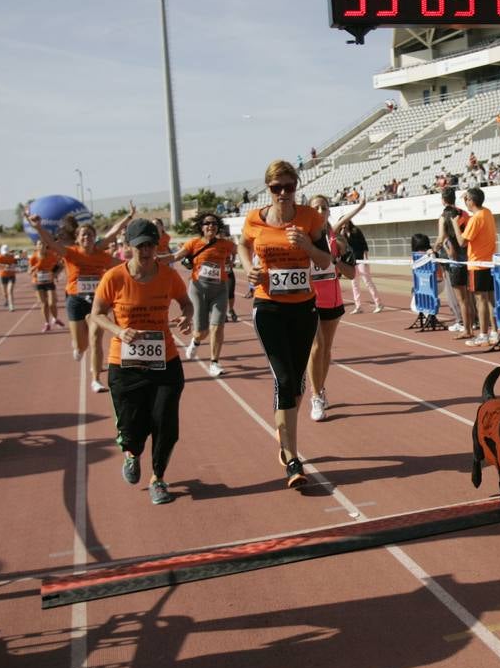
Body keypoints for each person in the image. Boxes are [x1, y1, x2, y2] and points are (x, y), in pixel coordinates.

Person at [89, 219, 193, 505]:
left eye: (150, 246)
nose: (146, 252)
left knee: (165, 423)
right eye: (140, 247)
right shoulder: (114, 278)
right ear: (128, 247)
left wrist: (187, 315)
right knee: (132, 428)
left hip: (165, 361)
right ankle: (132, 454)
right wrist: (118, 331)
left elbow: (186, 302)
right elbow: (96, 314)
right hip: (125, 365)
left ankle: (158, 478)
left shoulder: (168, 276)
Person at [241, 160, 331, 488]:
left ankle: (287, 429)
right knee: (283, 379)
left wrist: (306, 246)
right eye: (276, 187)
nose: (282, 193)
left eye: (288, 186)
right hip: (268, 307)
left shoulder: (310, 218)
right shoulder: (255, 219)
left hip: (303, 308)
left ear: (296, 186)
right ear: (268, 189)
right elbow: (243, 244)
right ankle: (292, 456)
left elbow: (326, 260)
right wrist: (248, 269)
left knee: (296, 383)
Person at [28, 207, 134, 393]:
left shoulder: (101, 254)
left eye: (90, 234)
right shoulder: (70, 253)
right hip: (76, 300)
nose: (87, 237)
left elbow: (114, 234)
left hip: (97, 302)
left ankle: (96, 379)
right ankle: (77, 347)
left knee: (96, 339)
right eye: (83, 235)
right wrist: (37, 227)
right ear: (77, 238)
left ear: (95, 238)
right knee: (82, 345)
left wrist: (128, 217)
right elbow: (51, 242)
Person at [306, 195, 360, 422]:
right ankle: (315, 396)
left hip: (332, 300)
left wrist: (335, 260)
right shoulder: (303, 238)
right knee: (316, 347)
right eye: (315, 208)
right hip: (309, 300)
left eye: (324, 207)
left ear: (329, 211)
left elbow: (352, 274)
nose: (320, 211)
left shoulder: (337, 240)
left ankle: (320, 388)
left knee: (326, 349)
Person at [172, 213, 236, 377]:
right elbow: (175, 256)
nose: (211, 226)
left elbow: (243, 249)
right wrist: (156, 259)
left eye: (214, 223)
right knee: (202, 331)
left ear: (218, 227)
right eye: (207, 223)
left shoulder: (226, 244)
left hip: (220, 290)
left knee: (217, 326)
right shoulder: (194, 243)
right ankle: (196, 341)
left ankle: (214, 362)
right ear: (201, 227)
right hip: (198, 290)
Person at [452, 187, 500, 348]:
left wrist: (455, 225)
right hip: (489, 262)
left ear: (471, 201)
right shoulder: (487, 212)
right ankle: (494, 332)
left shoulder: (476, 218)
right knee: (490, 299)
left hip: (478, 264)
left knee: (481, 301)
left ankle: (483, 335)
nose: (465, 202)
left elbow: (462, 242)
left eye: (466, 199)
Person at [435, 187, 474, 336]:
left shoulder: (443, 217)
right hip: (467, 255)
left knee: (457, 296)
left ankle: (463, 324)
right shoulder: (463, 213)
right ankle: (470, 323)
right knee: (468, 294)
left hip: (452, 258)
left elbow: (441, 238)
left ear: (443, 200)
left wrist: (434, 249)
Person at [341, 213, 383, 313]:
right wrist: (342, 233)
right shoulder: (342, 233)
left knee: (368, 282)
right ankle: (358, 306)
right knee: (354, 284)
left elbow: (364, 244)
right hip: (351, 262)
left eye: (345, 221)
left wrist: (366, 259)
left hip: (360, 260)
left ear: (349, 221)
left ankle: (378, 303)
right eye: (342, 222)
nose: (344, 224)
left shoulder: (356, 230)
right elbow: (342, 246)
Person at [28, 240, 63, 332]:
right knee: (44, 304)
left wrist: (55, 274)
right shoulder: (33, 257)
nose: (42, 246)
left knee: (52, 303)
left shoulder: (51, 255)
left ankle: (55, 319)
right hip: (38, 283)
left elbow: (60, 266)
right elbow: (29, 271)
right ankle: (47, 323)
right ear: (36, 246)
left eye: (43, 244)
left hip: (49, 282)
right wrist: (33, 269)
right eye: (40, 244)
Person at [0, 243, 18, 311]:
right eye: (4, 253)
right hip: (2, 275)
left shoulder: (12, 257)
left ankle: (11, 306)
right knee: (5, 293)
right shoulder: (0, 257)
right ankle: (6, 300)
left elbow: (16, 264)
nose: (5, 254)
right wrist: (4, 265)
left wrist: (13, 266)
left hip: (11, 275)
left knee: (10, 291)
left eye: (6, 252)